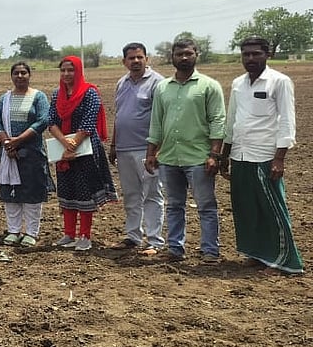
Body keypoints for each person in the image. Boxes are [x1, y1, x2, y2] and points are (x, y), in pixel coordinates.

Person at [221, 37, 303, 274]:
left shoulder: (279, 82)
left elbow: (287, 120)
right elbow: (231, 121)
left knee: (272, 208)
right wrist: (225, 155)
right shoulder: (238, 83)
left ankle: (284, 260)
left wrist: (280, 158)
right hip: (240, 154)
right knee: (247, 208)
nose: (250, 59)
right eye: (246, 54)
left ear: (267, 54)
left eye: (256, 54)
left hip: (265, 155)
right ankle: (257, 254)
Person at [146, 38, 226, 264]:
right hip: (170, 157)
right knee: (174, 205)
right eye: (179, 54)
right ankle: (175, 248)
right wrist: (151, 153)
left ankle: (210, 250)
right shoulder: (162, 88)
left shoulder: (209, 86)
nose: (183, 58)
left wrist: (214, 155)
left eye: (188, 54)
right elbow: (156, 123)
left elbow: (218, 122)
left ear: (196, 55)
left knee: (206, 206)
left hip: (199, 157)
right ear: (172, 56)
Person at [48, 56, 118, 251]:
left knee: (84, 191)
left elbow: (88, 122)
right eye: (63, 70)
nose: (66, 74)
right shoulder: (57, 95)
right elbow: (51, 121)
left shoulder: (90, 93)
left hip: (86, 149)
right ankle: (69, 234)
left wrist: (73, 145)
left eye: (70, 70)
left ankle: (85, 236)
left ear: (78, 71)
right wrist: (65, 144)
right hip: (64, 149)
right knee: (67, 189)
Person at [108, 42, 166, 254]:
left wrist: (156, 150)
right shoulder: (121, 83)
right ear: (124, 62)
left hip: (146, 149)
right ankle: (133, 236)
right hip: (124, 148)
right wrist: (114, 145)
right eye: (131, 58)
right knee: (131, 195)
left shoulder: (158, 83)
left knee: (152, 194)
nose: (135, 61)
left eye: (139, 57)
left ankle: (154, 241)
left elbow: (162, 119)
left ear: (146, 59)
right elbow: (119, 116)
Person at [0, 62, 52, 247]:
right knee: (11, 193)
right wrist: (8, 144)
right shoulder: (5, 98)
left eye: (23, 73)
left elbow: (42, 121)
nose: (20, 76)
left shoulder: (38, 97)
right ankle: (13, 230)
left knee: (31, 192)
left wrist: (18, 141)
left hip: (31, 152)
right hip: (8, 153)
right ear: (11, 76)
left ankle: (31, 232)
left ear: (29, 75)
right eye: (16, 73)